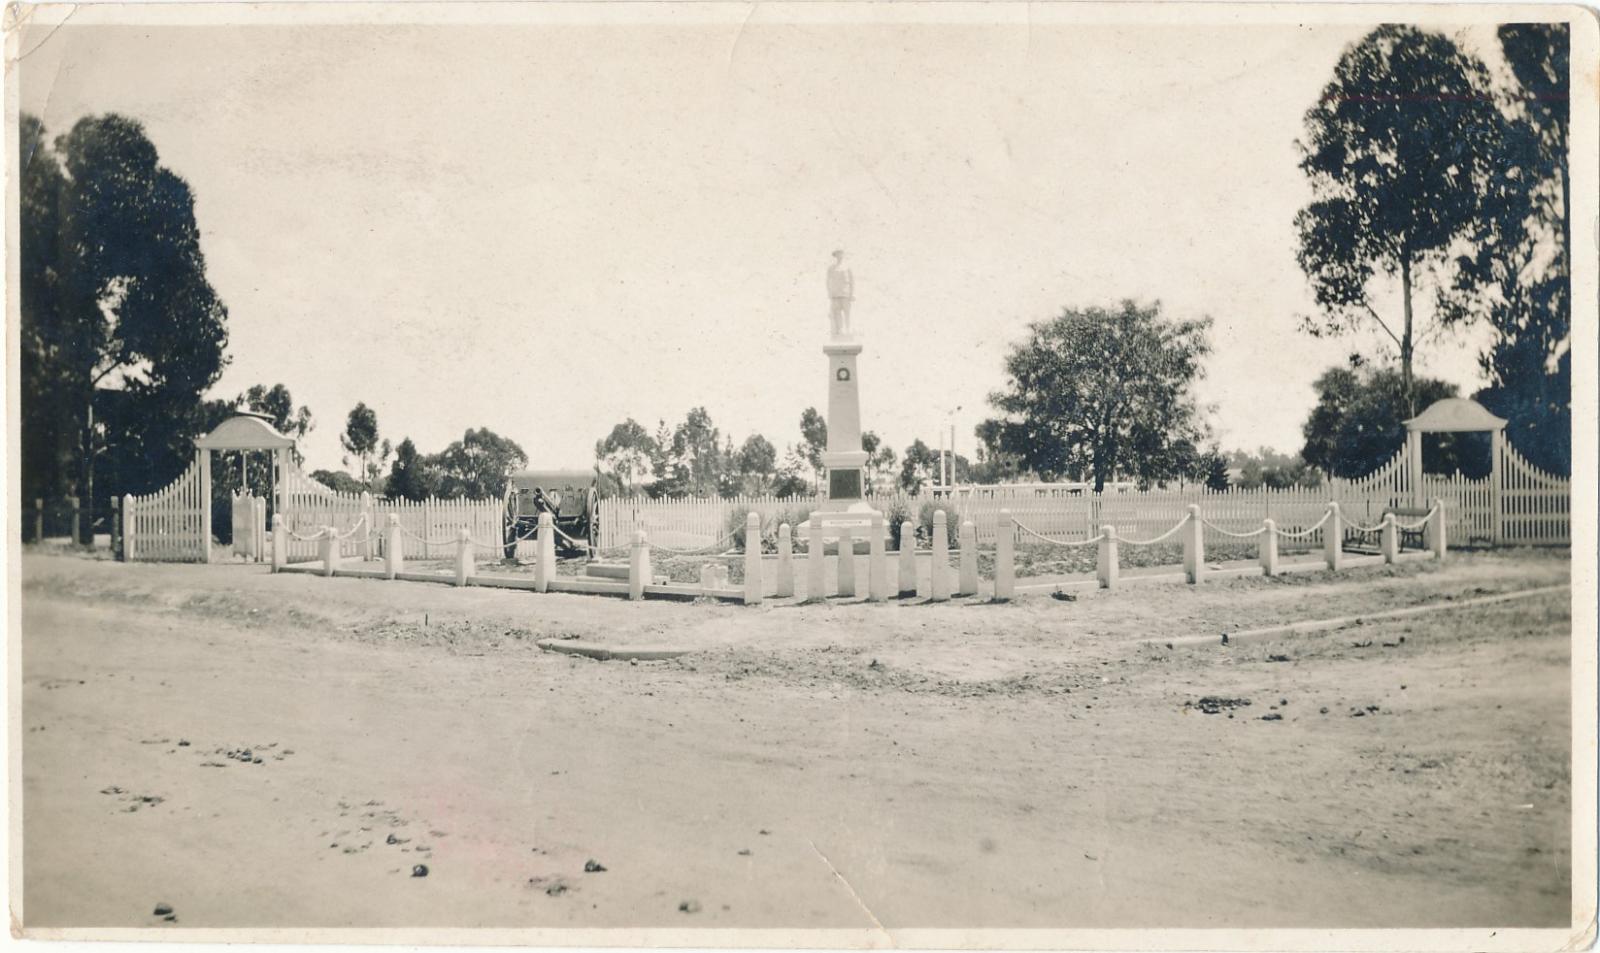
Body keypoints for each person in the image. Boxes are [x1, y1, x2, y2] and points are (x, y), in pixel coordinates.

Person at [827, 249, 854, 336]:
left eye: (841, 254)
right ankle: (840, 329)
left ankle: (848, 329)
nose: (839, 256)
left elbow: (852, 281)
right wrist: (829, 292)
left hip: (845, 293)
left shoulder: (847, 267)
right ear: (835, 256)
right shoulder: (831, 268)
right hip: (835, 294)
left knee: (847, 312)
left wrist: (852, 294)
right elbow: (828, 281)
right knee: (837, 313)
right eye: (838, 254)